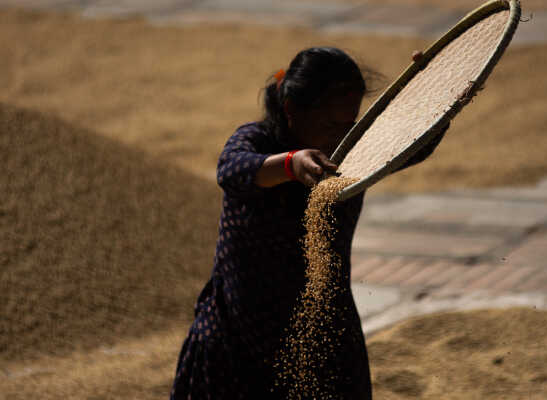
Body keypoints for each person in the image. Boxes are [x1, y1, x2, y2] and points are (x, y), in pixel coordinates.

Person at [170, 46, 446, 400]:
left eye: (349, 123)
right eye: (330, 124)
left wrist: (439, 94)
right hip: (239, 337)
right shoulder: (256, 140)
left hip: (324, 332)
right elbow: (231, 169)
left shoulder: (351, 150)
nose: (340, 135)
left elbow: (415, 146)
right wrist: (291, 164)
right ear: (291, 111)